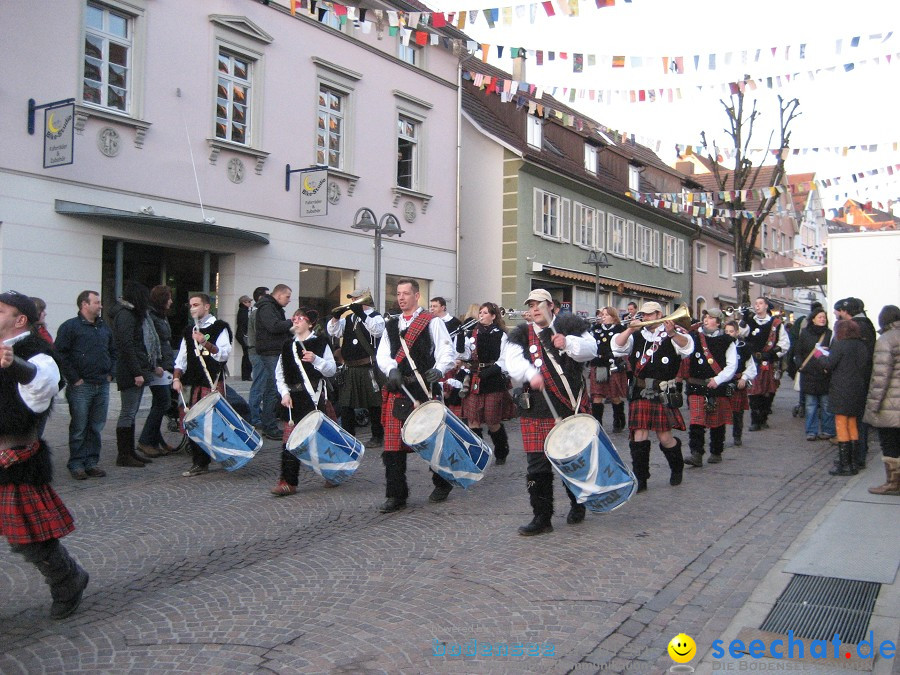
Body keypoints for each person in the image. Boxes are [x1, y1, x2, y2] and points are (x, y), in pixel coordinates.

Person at [0, 290, 89, 619]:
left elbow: (42, 384)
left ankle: (68, 579)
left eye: (0, 311)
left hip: (15, 459)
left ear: (19, 319)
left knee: (27, 539)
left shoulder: (36, 353)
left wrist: (14, 365)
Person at [505, 290, 596, 535]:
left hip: (567, 405)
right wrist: (529, 373)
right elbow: (510, 361)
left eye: (539, 304)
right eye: (531, 305)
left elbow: (591, 349)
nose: (535, 309)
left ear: (552, 306)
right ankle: (541, 517)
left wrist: (568, 343)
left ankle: (578, 503)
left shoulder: (570, 325)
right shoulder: (522, 334)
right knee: (536, 467)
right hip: (536, 409)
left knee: (569, 461)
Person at [375, 279, 455, 513]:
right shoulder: (391, 324)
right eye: (398, 294)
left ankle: (442, 482)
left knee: (431, 442)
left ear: (417, 296)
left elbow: (446, 350)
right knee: (392, 447)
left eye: (406, 294)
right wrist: (391, 369)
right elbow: (382, 354)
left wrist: (440, 369)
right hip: (398, 389)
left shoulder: (432, 322)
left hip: (424, 388)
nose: (401, 298)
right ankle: (395, 495)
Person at [613, 302, 692, 492]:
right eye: (644, 315)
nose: (645, 318)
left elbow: (687, 347)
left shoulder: (673, 332)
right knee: (639, 435)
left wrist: (672, 333)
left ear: (659, 314)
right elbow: (617, 347)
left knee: (665, 437)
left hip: (662, 391)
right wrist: (629, 330)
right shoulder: (638, 334)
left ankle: (676, 466)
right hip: (640, 390)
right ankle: (641, 477)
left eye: (649, 315)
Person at [270, 308, 337, 495]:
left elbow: (331, 370)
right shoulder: (287, 345)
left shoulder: (320, 342)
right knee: (290, 442)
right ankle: (288, 482)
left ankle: (332, 472)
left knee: (322, 439)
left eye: (300, 319)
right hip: (294, 399)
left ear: (310, 324)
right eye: (294, 318)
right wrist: (284, 393)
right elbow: (279, 374)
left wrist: (316, 360)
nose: (296, 321)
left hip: (314, 397)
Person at [55, 290, 116, 479]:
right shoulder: (70, 327)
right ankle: (76, 463)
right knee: (79, 427)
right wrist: (74, 378)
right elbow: (60, 354)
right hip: (82, 385)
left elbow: (113, 351)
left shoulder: (104, 328)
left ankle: (91, 462)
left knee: (96, 427)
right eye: (96, 302)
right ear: (84, 304)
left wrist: (110, 373)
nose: (100, 306)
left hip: (101, 384)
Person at [173, 293, 233, 477]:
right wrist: (176, 378)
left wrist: (204, 342)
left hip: (211, 382)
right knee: (194, 423)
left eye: (196, 305)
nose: (192, 308)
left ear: (207, 307)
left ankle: (227, 454)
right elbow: (181, 358)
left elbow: (223, 354)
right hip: (193, 383)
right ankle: (199, 462)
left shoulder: (220, 327)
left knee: (215, 423)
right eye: (191, 305)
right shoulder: (188, 330)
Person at [327, 288, 385, 448]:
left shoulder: (375, 316)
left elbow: (377, 331)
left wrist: (362, 314)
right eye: (352, 299)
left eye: (356, 298)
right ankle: (348, 436)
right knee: (346, 404)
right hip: (350, 368)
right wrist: (336, 318)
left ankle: (377, 436)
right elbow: (334, 332)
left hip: (368, 367)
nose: (353, 301)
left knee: (374, 404)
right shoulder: (350, 318)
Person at [108, 281, 156, 468]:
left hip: (134, 368)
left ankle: (129, 452)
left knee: (131, 412)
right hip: (130, 371)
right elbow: (127, 346)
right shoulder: (126, 316)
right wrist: (137, 372)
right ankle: (124, 454)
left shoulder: (128, 314)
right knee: (128, 412)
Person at [682, 309, 737, 467]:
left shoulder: (727, 340)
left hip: (717, 386)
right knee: (696, 421)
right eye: (705, 317)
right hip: (696, 384)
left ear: (718, 322)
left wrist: (718, 379)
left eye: (710, 317)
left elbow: (732, 365)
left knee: (717, 422)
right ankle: (696, 453)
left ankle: (716, 451)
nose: (706, 320)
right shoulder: (693, 337)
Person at [460, 302, 512, 465]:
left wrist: (491, 371)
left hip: (493, 378)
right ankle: (478, 454)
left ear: (493, 316)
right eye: (480, 312)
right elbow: (464, 354)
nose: (481, 315)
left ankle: (501, 450)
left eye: (485, 313)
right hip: (475, 378)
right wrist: (460, 337)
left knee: (492, 420)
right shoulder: (472, 333)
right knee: (473, 419)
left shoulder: (501, 335)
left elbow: (504, 359)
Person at [820, 319, 871, 476]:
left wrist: (819, 355)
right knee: (852, 423)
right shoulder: (862, 346)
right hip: (858, 389)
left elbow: (829, 363)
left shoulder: (841, 345)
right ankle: (854, 461)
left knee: (841, 423)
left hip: (842, 389)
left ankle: (844, 463)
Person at [834, 297, 877, 468]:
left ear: (846, 311)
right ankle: (855, 456)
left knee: (855, 421)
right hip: (861, 380)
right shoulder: (867, 325)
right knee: (855, 420)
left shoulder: (859, 328)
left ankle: (855, 458)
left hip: (855, 381)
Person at [134, 285, 176, 458]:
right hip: (158, 367)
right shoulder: (151, 317)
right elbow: (150, 343)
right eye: (169, 298)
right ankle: (145, 440)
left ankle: (156, 440)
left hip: (164, 365)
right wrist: (155, 365)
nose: (171, 301)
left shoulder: (160, 316)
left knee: (160, 404)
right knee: (163, 403)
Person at [864, 305, 900, 495]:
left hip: (890, 402)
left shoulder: (886, 340)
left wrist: (873, 407)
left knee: (889, 443)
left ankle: (893, 483)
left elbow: (880, 377)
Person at [740, 298, 790, 431]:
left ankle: (764, 417)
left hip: (769, 361)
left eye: (760, 303)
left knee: (768, 392)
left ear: (767, 306)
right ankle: (755, 421)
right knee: (754, 392)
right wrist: (744, 318)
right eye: (755, 304)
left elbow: (784, 343)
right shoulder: (750, 321)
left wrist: (773, 353)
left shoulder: (776, 323)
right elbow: (740, 333)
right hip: (753, 362)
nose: (757, 306)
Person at [252, 284, 293, 440]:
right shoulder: (268, 308)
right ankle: (269, 425)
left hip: (273, 351)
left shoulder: (271, 307)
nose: (289, 300)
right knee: (275, 388)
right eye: (287, 296)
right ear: (279, 295)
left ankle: (269, 424)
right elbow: (274, 327)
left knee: (271, 388)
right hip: (271, 352)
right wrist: (291, 322)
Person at [793, 308, 835, 442]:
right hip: (809, 374)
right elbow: (798, 351)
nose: (822, 319)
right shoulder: (805, 333)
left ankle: (827, 430)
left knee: (826, 405)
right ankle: (811, 431)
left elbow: (834, 352)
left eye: (824, 317)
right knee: (810, 406)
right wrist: (800, 365)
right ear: (813, 319)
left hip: (824, 374)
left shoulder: (829, 334)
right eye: (820, 317)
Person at [588, 306, 628, 433]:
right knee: (597, 396)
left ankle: (619, 420)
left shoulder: (620, 329)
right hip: (598, 364)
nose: (602, 317)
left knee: (614, 395)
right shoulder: (595, 329)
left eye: (605, 314)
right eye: (602, 314)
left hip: (613, 365)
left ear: (613, 316)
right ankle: (597, 423)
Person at [723, 321, 756, 447]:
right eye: (726, 332)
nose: (728, 334)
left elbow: (751, 366)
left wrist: (744, 377)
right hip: (723, 383)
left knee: (737, 413)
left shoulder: (743, 347)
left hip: (738, 382)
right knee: (721, 411)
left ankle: (737, 436)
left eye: (731, 331)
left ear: (737, 332)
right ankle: (719, 437)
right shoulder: (720, 345)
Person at [246, 286, 269, 426]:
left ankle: (257, 415)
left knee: (261, 384)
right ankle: (254, 417)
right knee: (259, 385)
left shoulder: (255, 312)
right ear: (260, 297)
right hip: (258, 352)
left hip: (258, 352)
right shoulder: (257, 312)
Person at [236, 295, 253, 381]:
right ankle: (246, 375)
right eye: (249, 302)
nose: (250, 303)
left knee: (246, 354)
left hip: (242, 335)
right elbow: (245, 324)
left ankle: (245, 375)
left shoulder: (243, 310)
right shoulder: (244, 311)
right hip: (244, 335)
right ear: (244, 302)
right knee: (247, 355)